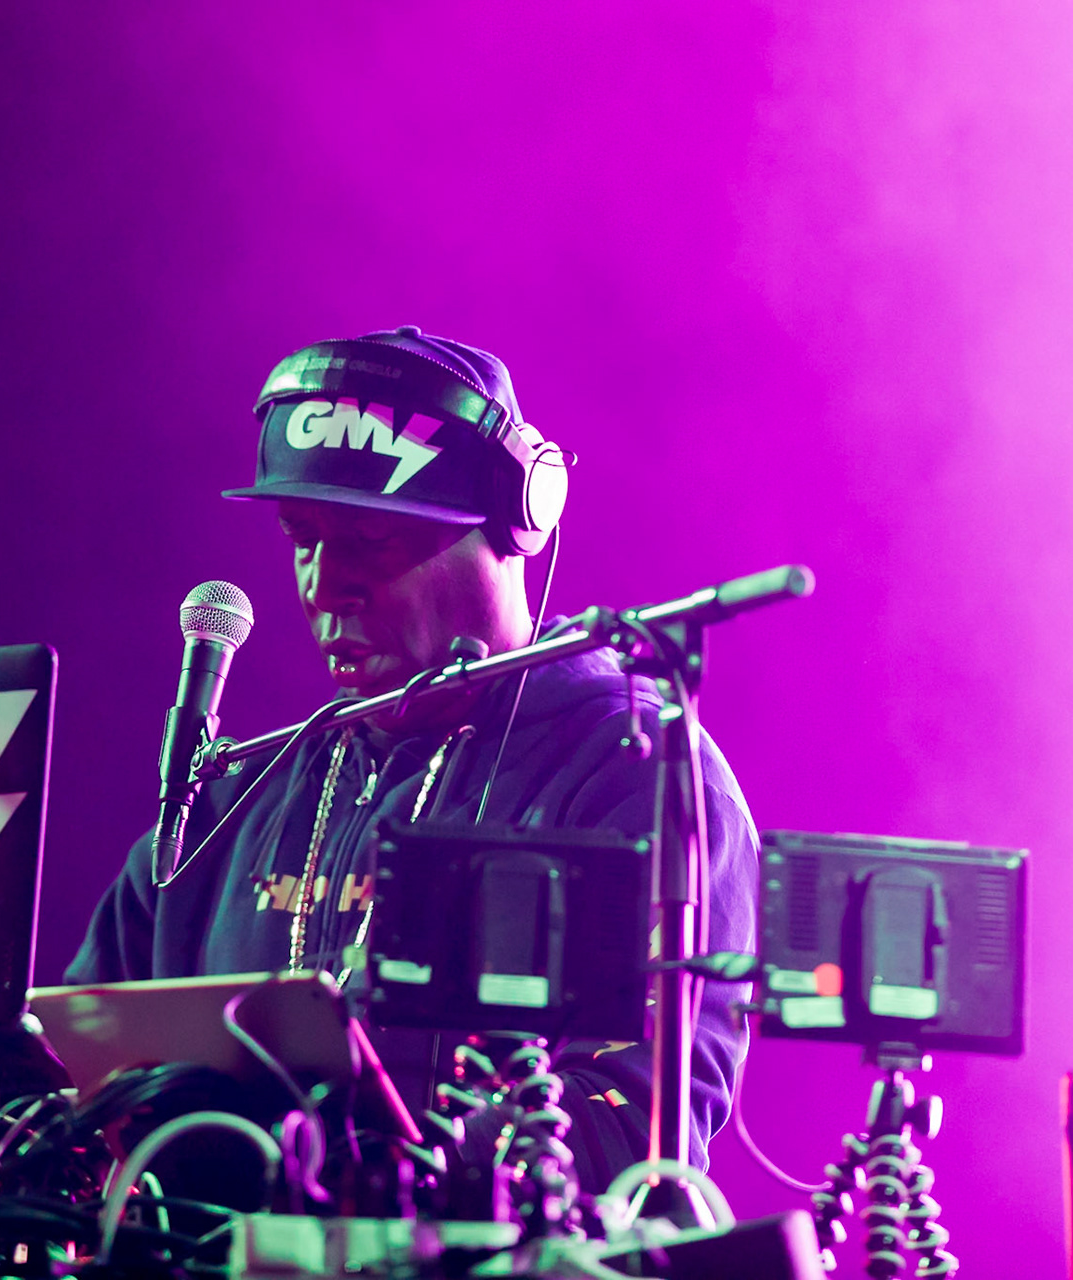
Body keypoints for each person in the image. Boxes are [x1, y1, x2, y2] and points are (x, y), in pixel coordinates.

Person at [66, 326, 758, 1192]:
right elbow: (77, 1060)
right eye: (302, 536)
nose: (323, 584)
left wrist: (395, 1168)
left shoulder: (637, 770)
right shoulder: (236, 798)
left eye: (370, 540)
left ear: (516, 523)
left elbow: (640, 1130)